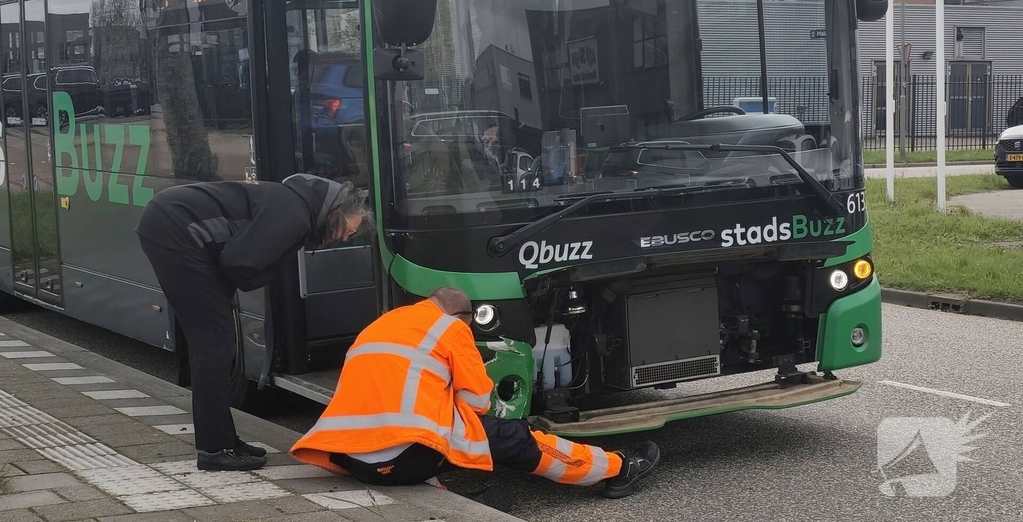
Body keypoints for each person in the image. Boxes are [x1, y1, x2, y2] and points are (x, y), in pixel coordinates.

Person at [290, 287, 660, 499]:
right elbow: (477, 403)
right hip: (401, 464)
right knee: (516, 438)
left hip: (353, 461)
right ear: (462, 318)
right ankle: (618, 468)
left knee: (443, 429)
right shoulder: (449, 330)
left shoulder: (378, 327)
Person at [135, 174, 373, 472]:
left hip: (175, 226)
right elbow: (240, 263)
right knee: (214, 346)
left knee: (217, 345)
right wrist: (261, 276)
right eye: (351, 229)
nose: (346, 236)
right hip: (176, 231)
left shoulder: (293, 206)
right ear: (340, 211)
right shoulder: (294, 215)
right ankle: (213, 449)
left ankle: (224, 440)